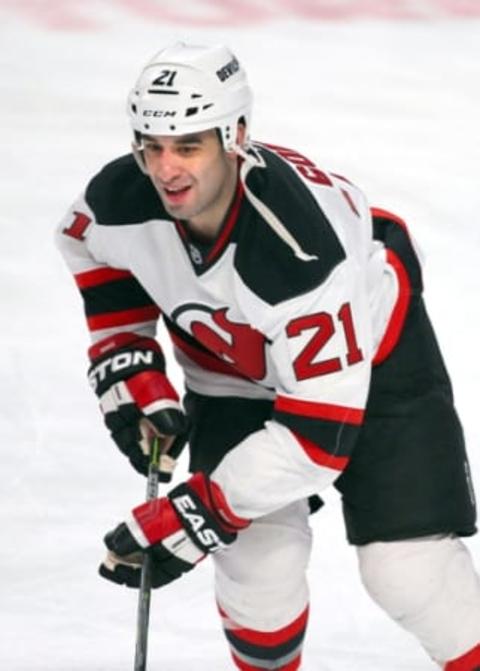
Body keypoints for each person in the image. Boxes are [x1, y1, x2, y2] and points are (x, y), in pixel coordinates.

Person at [56, 42, 480, 670]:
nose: (165, 168)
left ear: (236, 135)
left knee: (407, 572)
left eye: (189, 145)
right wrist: (129, 354)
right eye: (151, 144)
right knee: (258, 567)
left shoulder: (300, 255)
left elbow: (317, 442)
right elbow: (89, 244)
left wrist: (199, 511)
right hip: (231, 373)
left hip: (371, 362)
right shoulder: (122, 198)